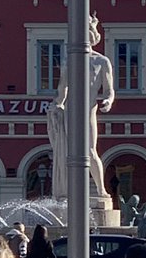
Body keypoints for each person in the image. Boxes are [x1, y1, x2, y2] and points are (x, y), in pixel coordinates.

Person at [47, 14, 115, 201]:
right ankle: (70, 192)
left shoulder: (102, 62)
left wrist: (108, 101)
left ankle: (101, 191)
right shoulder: (69, 61)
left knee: (90, 151)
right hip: (70, 111)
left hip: (89, 111)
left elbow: (110, 90)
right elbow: (62, 89)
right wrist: (57, 105)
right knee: (69, 151)